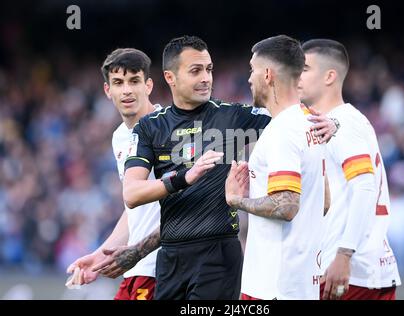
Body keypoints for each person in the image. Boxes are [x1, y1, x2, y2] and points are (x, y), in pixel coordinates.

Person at [92, 35, 337, 300]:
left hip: (218, 257)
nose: (206, 78)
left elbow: (292, 117)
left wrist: (334, 123)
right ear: (170, 77)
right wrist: (185, 177)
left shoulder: (233, 117)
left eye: (209, 70)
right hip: (169, 260)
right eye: (196, 71)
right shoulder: (150, 127)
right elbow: (132, 193)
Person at [224, 35, 328, 300]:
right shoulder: (311, 124)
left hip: (274, 285)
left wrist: (238, 200)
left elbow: (286, 206)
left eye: (252, 69)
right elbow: (325, 201)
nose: (249, 78)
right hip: (303, 282)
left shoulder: (282, 130)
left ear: (268, 75)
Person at [298, 39, 401, 300]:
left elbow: (364, 186)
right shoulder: (339, 121)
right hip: (362, 268)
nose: (297, 75)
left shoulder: (342, 122)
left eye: (305, 68)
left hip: (350, 271)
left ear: (330, 76)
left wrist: (344, 255)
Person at [66, 48, 161, 300]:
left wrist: (140, 251)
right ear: (108, 90)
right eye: (118, 83)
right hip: (136, 269)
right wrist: (101, 255)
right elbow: (135, 212)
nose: (127, 90)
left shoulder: (171, 130)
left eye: (134, 81)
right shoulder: (120, 137)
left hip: (164, 269)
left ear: (148, 85)